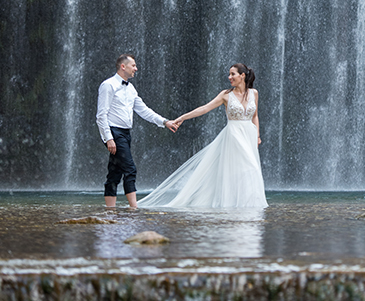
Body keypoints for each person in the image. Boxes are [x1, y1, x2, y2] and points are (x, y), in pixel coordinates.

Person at [138, 63, 267, 209]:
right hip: (234, 135)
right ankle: (236, 205)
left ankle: (247, 205)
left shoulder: (254, 93)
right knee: (249, 168)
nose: (229, 77)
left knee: (246, 169)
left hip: (249, 134)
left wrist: (257, 135)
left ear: (242, 75)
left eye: (233, 74)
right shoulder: (226, 95)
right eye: (229, 74)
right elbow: (205, 108)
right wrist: (183, 117)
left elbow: (255, 116)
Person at [96, 54, 179, 209]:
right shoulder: (108, 85)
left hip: (126, 133)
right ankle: (134, 208)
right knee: (130, 169)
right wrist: (108, 138)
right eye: (133, 65)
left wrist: (165, 122)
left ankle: (109, 211)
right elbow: (101, 115)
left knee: (114, 172)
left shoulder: (131, 88)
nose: (136, 68)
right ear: (123, 66)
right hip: (114, 132)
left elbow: (144, 110)